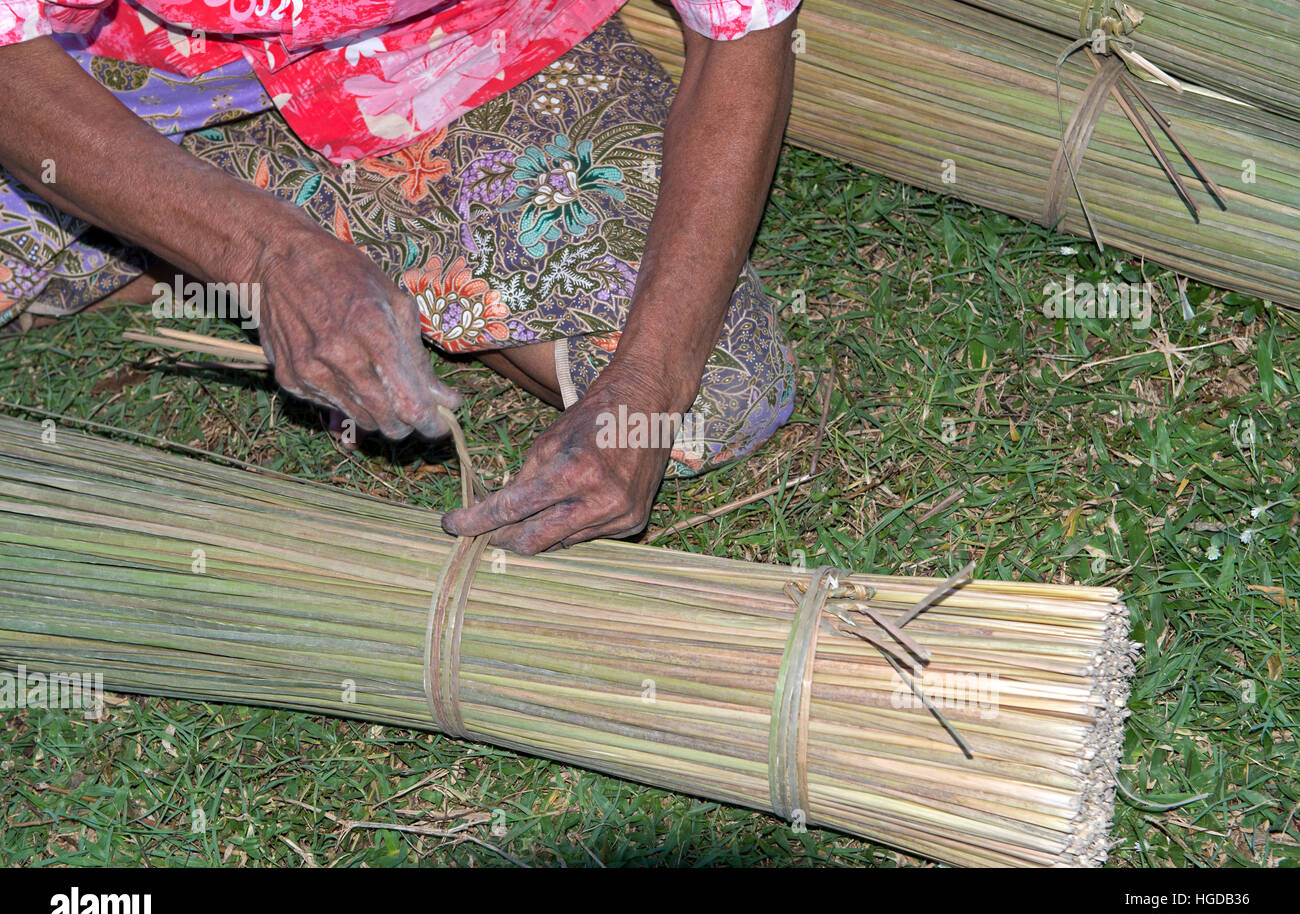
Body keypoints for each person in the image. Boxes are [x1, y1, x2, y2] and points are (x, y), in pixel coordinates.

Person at [0, 0, 800, 553]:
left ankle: (205, 235)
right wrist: (261, 254)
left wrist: (646, 384)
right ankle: (211, 224)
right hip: (126, 64)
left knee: (716, 389)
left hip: (454, 56)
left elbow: (742, 31)